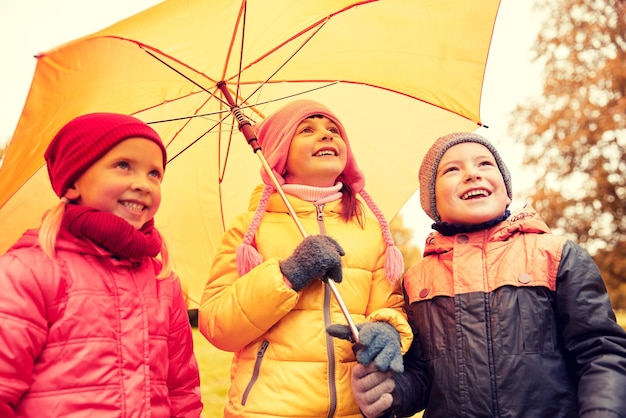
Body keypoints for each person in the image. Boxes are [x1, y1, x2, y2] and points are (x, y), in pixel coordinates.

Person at [349, 131, 626, 418]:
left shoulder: (556, 256)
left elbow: (600, 352)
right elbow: (423, 375)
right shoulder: (416, 280)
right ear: (432, 204)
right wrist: (392, 392)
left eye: (484, 164)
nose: (471, 174)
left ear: (506, 190)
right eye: (452, 170)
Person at [198, 99, 413, 417]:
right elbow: (217, 324)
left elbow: (389, 305)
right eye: (307, 130)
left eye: (333, 130)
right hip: (267, 409)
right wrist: (287, 274)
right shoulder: (250, 231)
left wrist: (388, 329)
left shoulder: (369, 229)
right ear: (281, 152)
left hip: (352, 409)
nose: (326, 136)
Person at [0, 113, 203, 417]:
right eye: (123, 165)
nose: (143, 184)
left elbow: (182, 390)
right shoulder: (29, 272)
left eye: (154, 174)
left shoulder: (163, 282)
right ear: (73, 183)